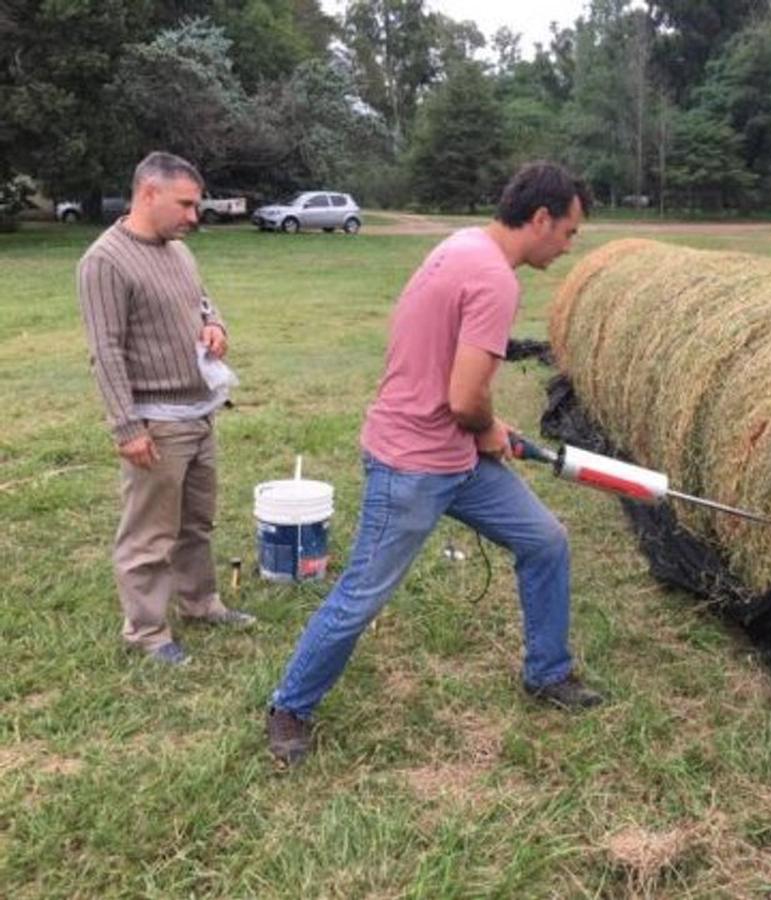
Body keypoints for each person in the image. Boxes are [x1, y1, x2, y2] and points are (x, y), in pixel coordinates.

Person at [266, 161, 600, 767]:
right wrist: (491, 427)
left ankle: (547, 673)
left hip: (457, 456)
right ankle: (290, 706)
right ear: (542, 218)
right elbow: (466, 399)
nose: (569, 246)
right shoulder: (495, 279)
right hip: (412, 463)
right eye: (570, 232)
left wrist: (485, 434)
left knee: (546, 541)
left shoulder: (464, 244)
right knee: (364, 592)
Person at [77, 151, 254, 667]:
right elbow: (105, 350)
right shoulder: (104, 261)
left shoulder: (177, 250)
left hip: (200, 410)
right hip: (156, 420)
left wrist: (216, 324)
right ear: (148, 193)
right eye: (186, 204)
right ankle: (148, 632)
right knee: (149, 534)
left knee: (196, 521)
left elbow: (201, 301)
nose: (193, 216)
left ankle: (200, 602)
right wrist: (127, 426)